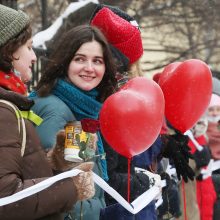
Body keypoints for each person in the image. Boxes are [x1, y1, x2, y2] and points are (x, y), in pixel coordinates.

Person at [0, 4, 95, 220]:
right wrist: (71, 187)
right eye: (28, 47)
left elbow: (22, 168)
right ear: (8, 50)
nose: (34, 57)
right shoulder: (51, 108)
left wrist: (57, 164)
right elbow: (6, 200)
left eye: (98, 60)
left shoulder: (85, 111)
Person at [30, 24, 118, 220]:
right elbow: (62, 194)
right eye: (80, 59)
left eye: (97, 61)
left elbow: (80, 182)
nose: (89, 68)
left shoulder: (79, 110)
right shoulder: (60, 113)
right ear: (65, 62)